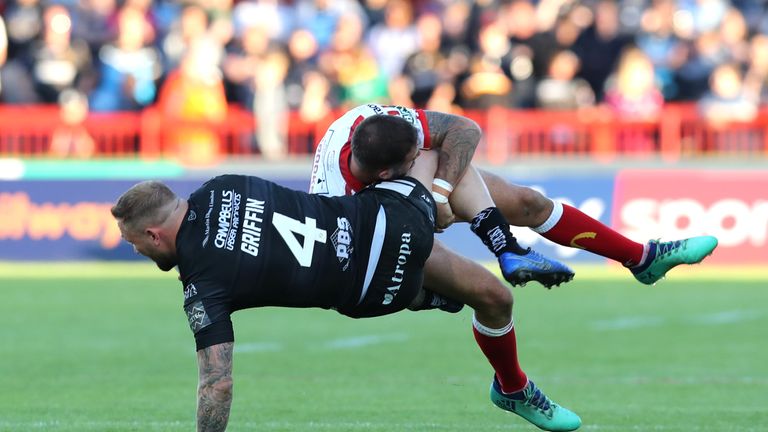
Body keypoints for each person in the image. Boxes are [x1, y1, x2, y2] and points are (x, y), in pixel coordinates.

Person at [113, 117, 582, 431]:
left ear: (155, 236)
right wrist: (436, 197)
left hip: (372, 296)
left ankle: (434, 295)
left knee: (485, 295)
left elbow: (218, 383)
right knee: (435, 157)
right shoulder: (223, 184)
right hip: (392, 223)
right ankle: (500, 244)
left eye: (135, 244)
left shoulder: (202, 286)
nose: (138, 251)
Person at [309, 104, 719, 287]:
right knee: (488, 294)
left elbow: (463, 130)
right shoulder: (335, 203)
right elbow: (349, 273)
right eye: (415, 158)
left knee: (528, 203)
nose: (422, 156)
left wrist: (437, 194)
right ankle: (512, 385)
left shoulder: (367, 120)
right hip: (375, 230)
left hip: (386, 184)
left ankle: (642, 258)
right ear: (388, 173)